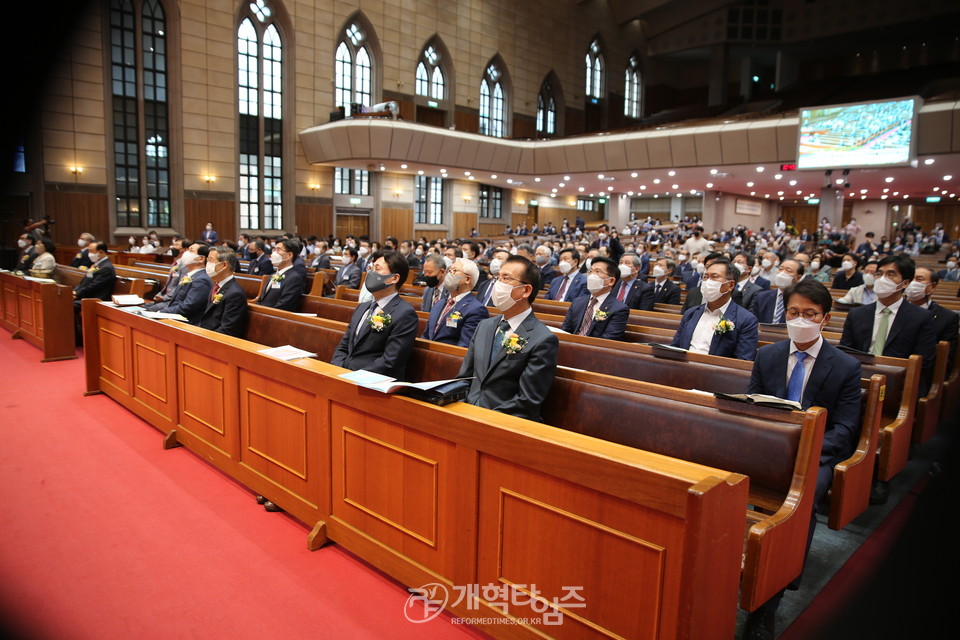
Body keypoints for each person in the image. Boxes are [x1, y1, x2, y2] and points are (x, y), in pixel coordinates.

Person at [742, 279, 863, 640]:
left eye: (810, 314)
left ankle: (769, 600)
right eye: (794, 312)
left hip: (815, 456)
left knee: (800, 502)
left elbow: (845, 428)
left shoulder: (844, 366)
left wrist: (805, 451)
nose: (801, 320)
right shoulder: (769, 355)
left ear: (824, 319)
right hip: (767, 448)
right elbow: (751, 405)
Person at [456, 255, 559, 422]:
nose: (498, 284)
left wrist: (484, 418)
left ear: (526, 290)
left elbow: (527, 400)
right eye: (498, 277)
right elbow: (465, 378)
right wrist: (459, 410)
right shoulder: (484, 326)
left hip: (506, 422)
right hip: (467, 414)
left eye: (506, 278)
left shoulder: (543, 339)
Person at [839, 254, 937, 400]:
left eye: (890, 274)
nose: (882, 279)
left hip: (899, 386)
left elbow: (923, 362)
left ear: (905, 283)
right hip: (858, 380)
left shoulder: (922, 318)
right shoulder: (857, 314)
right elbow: (845, 352)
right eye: (879, 274)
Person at [332, 251, 419, 379]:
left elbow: (390, 361)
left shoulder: (404, 314)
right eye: (371, 268)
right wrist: (336, 369)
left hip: (374, 382)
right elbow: (344, 346)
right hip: (345, 375)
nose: (371, 273)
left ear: (394, 278)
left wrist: (355, 376)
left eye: (377, 269)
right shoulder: (362, 307)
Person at [670, 259, 758, 360]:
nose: (708, 282)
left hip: (716, 373)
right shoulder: (691, 313)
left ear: (730, 285)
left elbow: (743, 361)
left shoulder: (746, 320)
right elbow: (675, 347)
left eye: (714, 277)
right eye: (706, 277)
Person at [421, 258, 489, 347]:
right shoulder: (440, 303)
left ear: (467, 279)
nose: (449, 274)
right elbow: (426, 335)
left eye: (455, 270)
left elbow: (464, 346)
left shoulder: (476, 310)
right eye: (449, 270)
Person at [560, 256, 629, 340]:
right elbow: (565, 330)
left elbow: (609, 340)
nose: (592, 275)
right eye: (590, 271)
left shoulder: (619, 309)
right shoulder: (577, 302)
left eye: (597, 271)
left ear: (611, 281)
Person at [906, 267, 958, 376]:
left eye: (919, 279)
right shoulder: (894, 310)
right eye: (911, 279)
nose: (913, 283)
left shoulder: (948, 318)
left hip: (922, 374)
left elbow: (944, 361)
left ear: (932, 286)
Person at [146, 245, 213, 324]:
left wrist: (161, 312)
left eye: (191, 250)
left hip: (186, 322)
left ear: (201, 258)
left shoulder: (202, 280)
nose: (186, 253)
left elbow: (188, 307)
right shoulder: (190, 275)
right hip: (174, 314)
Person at [197, 247, 249, 337]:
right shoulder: (216, 286)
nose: (207, 263)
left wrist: (203, 337)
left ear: (224, 265)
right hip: (206, 333)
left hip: (217, 340)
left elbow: (227, 330)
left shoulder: (235, 294)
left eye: (211, 260)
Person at [72, 242, 116, 344]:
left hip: (97, 298)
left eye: (91, 251)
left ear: (101, 252)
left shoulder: (106, 268)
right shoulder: (97, 265)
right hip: (88, 296)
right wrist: (75, 292)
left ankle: (77, 339)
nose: (89, 254)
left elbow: (93, 287)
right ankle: (73, 336)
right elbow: (84, 282)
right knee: (65, 302)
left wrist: (77, 295)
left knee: (69, 305)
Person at [749, 259, 804, 323]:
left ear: (798, 277)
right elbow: (752, 320)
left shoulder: (802, 300)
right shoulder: (762, 297)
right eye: (780, 269)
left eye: (788, 271)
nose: (782, 273)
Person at [257, 238, 305, 312]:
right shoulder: (273, 275)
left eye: (278, 250)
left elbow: (284, 305)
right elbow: (262, 299)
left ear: (289, 255)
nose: (274, 253)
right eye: (274, 249)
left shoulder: (294, 278)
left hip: (274, 318)